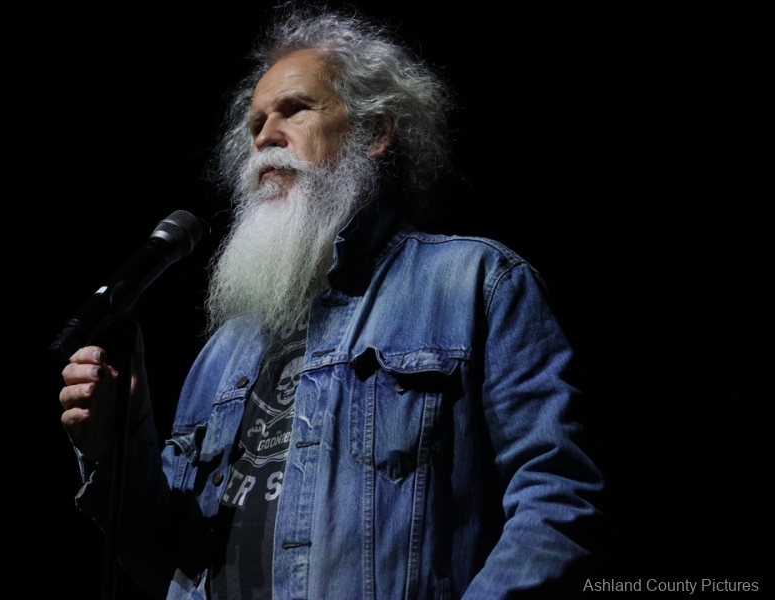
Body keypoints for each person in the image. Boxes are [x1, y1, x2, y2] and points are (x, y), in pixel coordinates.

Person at [59, 9, 602, 599]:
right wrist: (120, 447)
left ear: (374, 134)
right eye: (256, 123)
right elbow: (165, 563)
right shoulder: (224, 350)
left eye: (294, 109)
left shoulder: (476, 283)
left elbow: (557, 495)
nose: (265, 137)